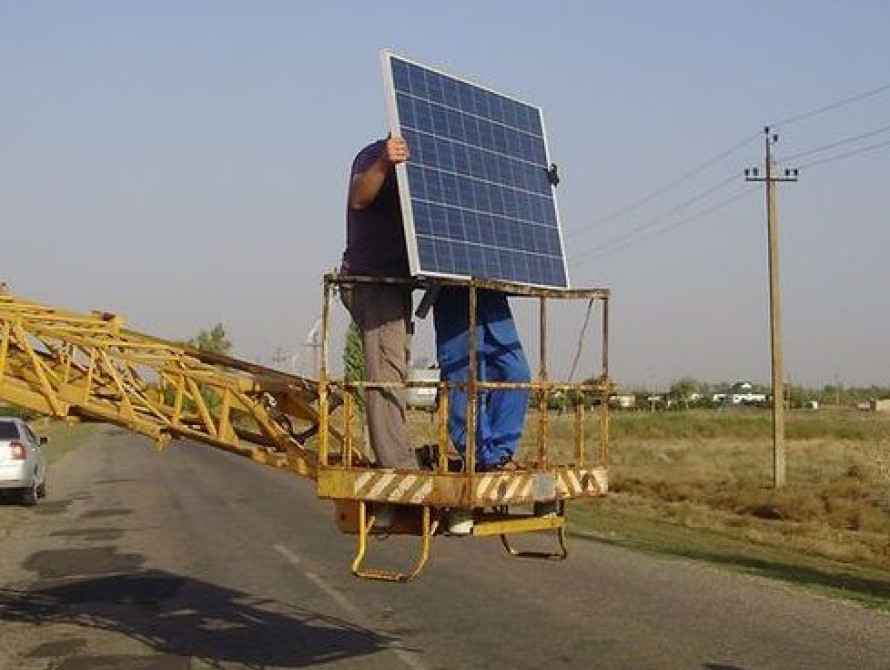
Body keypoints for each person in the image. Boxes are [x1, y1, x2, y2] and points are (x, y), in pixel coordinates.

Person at [339, 136, 417, 470]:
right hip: (371, 281)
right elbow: (359, 197)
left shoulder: (428, 159)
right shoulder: (374, 154)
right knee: (387, 370)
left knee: (395, 368)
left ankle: (398, 453)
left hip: (398, 283)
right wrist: (385, 161)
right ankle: (397, 467)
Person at [433, 286, 531, 471]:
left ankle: (500, 453)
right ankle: (478, 455)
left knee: (517, 373)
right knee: (465, 378)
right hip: (455, 292)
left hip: (493, 294)